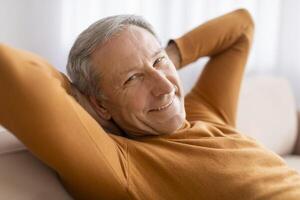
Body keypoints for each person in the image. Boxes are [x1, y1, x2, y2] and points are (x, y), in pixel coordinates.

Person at [1, 9, 300, 199]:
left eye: (160, 62)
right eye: (132, 79)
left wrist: (171, 55)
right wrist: (77, 96)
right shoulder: (125, 167)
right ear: (100, 106)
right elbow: (11, 74)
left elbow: (241, 27)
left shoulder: (204, 114)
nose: (165, 85)